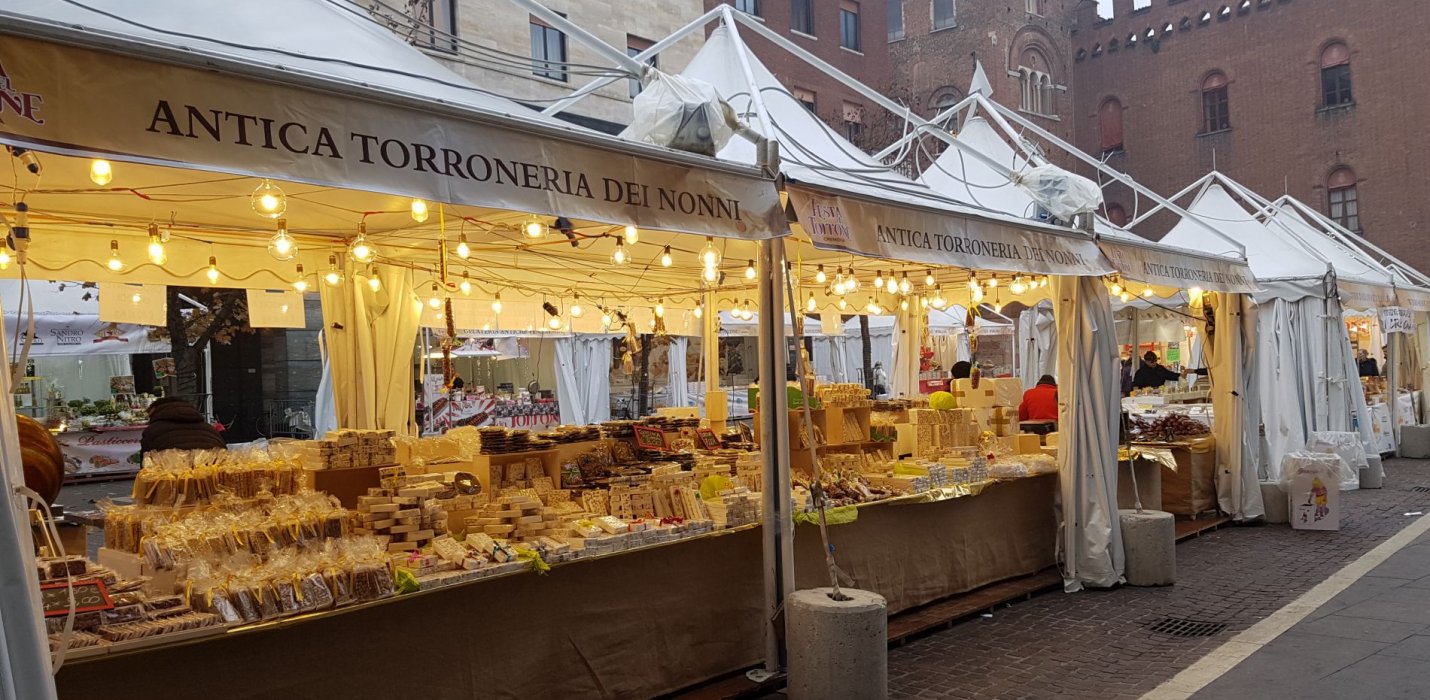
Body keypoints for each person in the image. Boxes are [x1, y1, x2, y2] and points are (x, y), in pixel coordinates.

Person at [140, 398, 225, 455]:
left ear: (155, 412)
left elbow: (146, 464)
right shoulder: (210, 429)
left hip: (172, 478)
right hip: (213, 476)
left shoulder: (152, 431)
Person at [1131, 351, 1204, 390]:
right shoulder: (1140, 372)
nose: (1154, 363)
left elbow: (1171, 375)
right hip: (1146, 397)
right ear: (1146, 361)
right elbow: (1136, 387)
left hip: (1160, 394)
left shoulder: (1160, 369)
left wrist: (1182, 374)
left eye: (1155, 361)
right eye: (1152, 362)